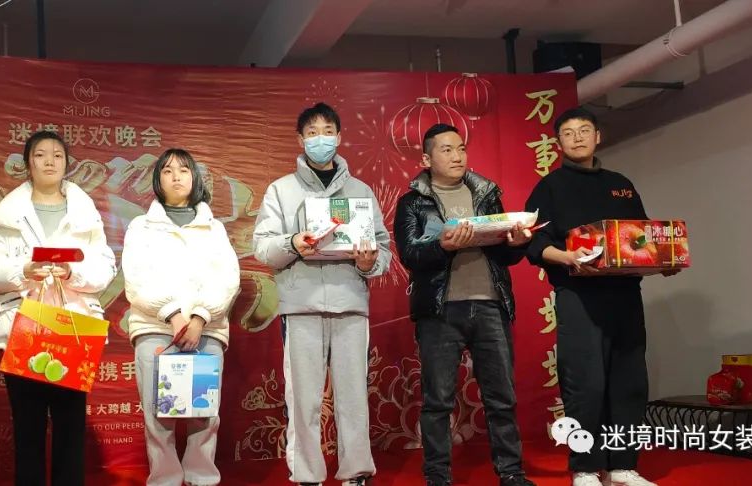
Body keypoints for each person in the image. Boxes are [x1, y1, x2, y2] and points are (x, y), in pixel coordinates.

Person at [525, 107, 676, 486]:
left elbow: (641, 238)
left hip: (625, 295)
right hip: (578, 295)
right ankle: (585, 467)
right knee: (585, 384)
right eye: (568, 133)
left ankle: (623, 467)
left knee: (629, 381)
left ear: (597, 137)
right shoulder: (550, 187)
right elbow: (534, 242)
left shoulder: (620, 184)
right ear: (558, 143)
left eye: (584, 130)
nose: (577, 138)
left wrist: (664, 260)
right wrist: (567, 257)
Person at [253, 102, 391, 486]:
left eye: (327, 131)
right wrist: (293, 243)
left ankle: (356, 473)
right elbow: (263, 248)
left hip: (350, 304)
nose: (320, 139)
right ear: (300, 140)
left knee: (353, 397)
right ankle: (307, 475)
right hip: (302, 307)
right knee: (303, 399)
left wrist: (368, 262)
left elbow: (383, 248)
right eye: (312, 133)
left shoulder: (360, 191)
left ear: (339, 137)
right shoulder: (281, 190)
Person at [393, 123, 536, 486]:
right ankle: (437, 476)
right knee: (438, 400)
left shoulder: (486, 194)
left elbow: (503, 256)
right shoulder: (413, 202)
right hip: (440, 310)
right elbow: (409, 254)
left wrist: (516, 243)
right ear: (426, 159)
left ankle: (511, 473)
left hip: (490, 305)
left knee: (501, 397)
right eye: (446, 150)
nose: (457, 156)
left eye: (461, 148)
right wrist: (442, 246)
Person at [0, 130, 117, 486]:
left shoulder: (85, 214)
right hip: (24, 328)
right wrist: (22, 270)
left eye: (57, 155)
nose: (49, 161)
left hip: (72, 330)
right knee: (28, 429)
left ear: (67, 164)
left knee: (71, 428)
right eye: (40, 155)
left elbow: (105, 269)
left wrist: (72, 272)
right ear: (28, 164)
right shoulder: (6, 214)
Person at [121, 148, 240, 486]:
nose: (176, 176)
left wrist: (200, 317)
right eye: (168, 170)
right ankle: (165, 479)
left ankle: (201, 477)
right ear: (157, 179)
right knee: (158, 413)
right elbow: (136, 278)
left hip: (206, 330)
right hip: (156, 329)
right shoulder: (141, 227)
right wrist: (172, 315)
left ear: (194, 178)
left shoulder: (213, 228)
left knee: (204, 413)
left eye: (184, 170)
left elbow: (228, 278)